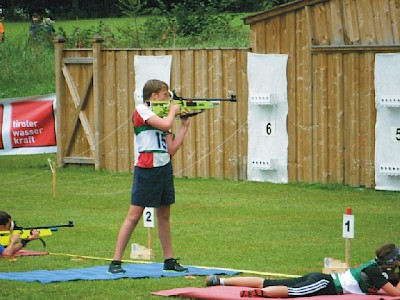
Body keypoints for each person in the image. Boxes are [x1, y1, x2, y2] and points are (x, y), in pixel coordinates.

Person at [108, 79, 191, 274]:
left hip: (163, 167)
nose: (167, 98)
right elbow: (165, 122)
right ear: (153, 96)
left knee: (164, 215)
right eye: (164, 95)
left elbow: (171, 149)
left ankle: (168, 260)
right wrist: (172, 111)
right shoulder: (142, 110)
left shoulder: (162, 115)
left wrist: (185, 127)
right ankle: (115, 261)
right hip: (146, 168)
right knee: (134, 216)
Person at [206, 243, 400, 298]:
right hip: (326, 284)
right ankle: (261, 295)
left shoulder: (374, 267)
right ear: (391, 261)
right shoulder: (375, 271)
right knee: (292, 293)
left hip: (322, 278)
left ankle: (219, 281)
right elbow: (395, 293)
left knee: (268, 281)